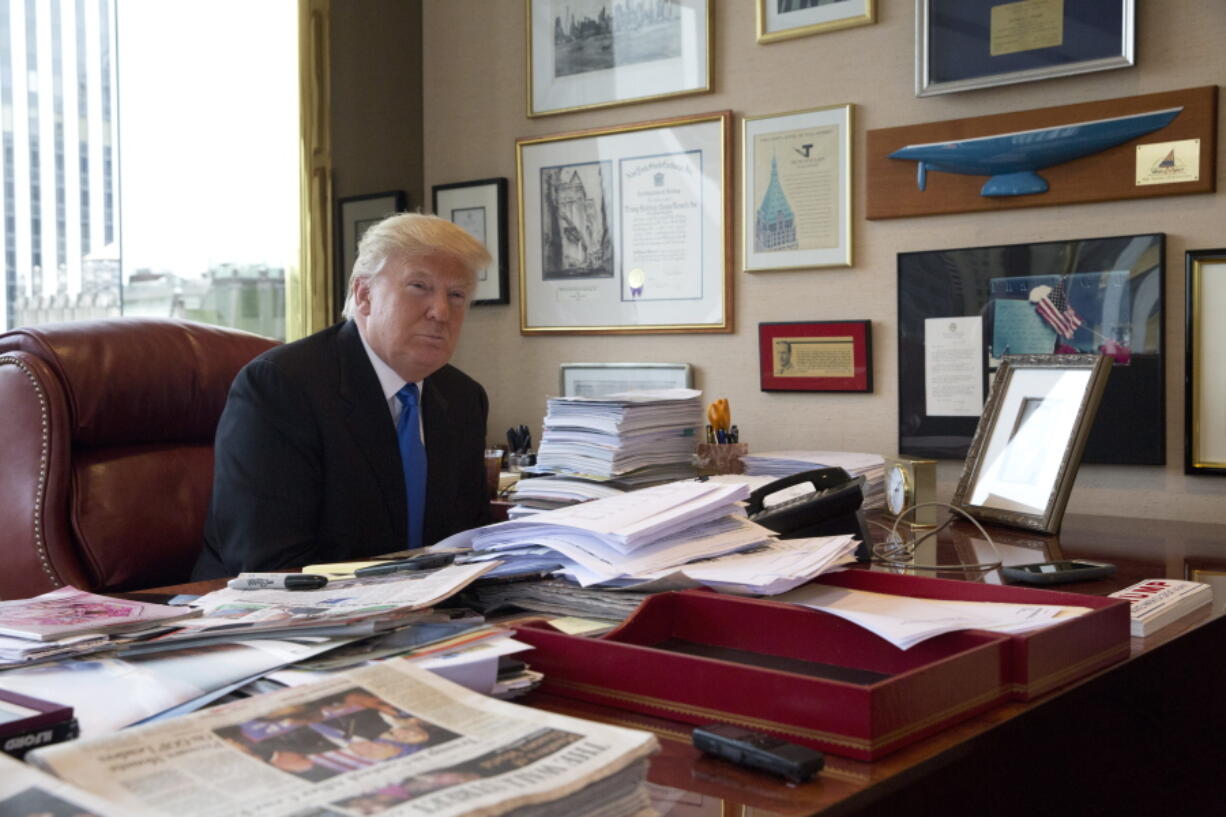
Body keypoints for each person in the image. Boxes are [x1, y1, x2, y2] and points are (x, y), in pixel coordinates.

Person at [192, 213, 492, 579]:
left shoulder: (463, 398)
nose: (441, 311)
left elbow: (470, 544)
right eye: (419, 286)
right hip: (291, 622)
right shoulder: (281, 387)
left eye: (456, 294)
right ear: (364, 295)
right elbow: (271, 566)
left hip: (427, 618)